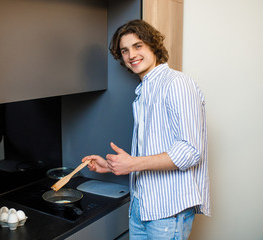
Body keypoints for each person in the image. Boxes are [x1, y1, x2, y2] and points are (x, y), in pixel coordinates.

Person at [82, 19, 210, 239]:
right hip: (142, 205)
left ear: (152, 45)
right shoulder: (144, 91)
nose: (131, 55)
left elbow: (190, 150)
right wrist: (114, 166)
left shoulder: (176, 83)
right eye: (125, 50)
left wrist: (132, 163)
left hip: (168, 210)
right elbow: (152, 154)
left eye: (138, 46)